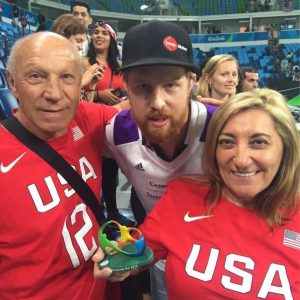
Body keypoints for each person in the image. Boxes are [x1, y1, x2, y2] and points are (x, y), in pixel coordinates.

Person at [95, 88, 300, 299]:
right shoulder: (183, 195)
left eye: (258, 142)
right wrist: (119, 260)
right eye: (227, 142)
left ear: (286, 147)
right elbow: (144, 251)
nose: (241, 159)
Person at [0, 31, 126, 299]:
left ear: (80, 82)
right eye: (37, 76)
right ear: (12, 83)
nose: (54, 93)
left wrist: (206, 113)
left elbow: (142, 113)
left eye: (66, 76)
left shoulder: (85, 118)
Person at [101, 19, 216, 300]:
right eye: (142, 87)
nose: (157, 102)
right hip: (160, 258)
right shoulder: (116, 132)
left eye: (170, 85)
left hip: (222, 261)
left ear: (192, 82)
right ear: (124, 84)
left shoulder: (221, 130)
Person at [83, 20, 134, 228]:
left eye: (104, 33)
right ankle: (94, 215)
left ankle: (112, 213)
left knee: (111, 173)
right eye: (95, 32)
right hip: (92, 121)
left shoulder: (119, 67)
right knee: (93, 172)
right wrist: (99, 93)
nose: (99, 36)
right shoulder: (84, 62)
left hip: (113, 123)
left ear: (112, 38)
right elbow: (79, 95)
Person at [50, 13, 104, 102]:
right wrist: (82, 81)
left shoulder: (71, 65)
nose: (81, 47)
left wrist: (92, 85)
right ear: (63, 37)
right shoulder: (46, 64)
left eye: (83, 42)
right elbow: (56, 100)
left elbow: (85, 105)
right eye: (78, 41)